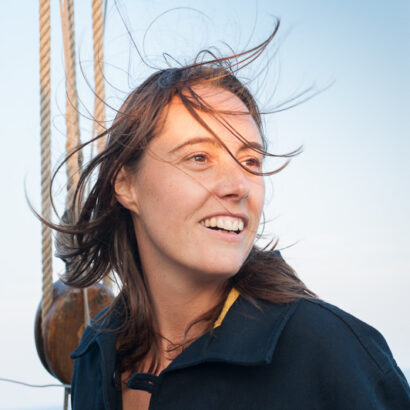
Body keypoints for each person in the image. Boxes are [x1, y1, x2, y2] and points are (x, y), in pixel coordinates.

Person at [50, 23, 409, 410]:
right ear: (126, 184)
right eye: (199, 157)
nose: (239, 186)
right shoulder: (95, 354)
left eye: (250, 161)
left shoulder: (331, 352)